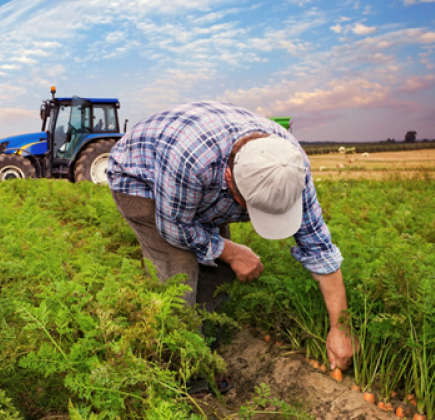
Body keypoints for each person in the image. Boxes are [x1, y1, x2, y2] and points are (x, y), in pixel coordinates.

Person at [106, 101, 354, 375]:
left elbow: (318, 247)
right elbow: (175, 228)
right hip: (142, 179)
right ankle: (185, 374)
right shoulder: (191, 161)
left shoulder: (290, 166)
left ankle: (207, 347)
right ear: (229, 178)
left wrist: (340, 328)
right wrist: (232, 251)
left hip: (198, 182)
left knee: (219, 273)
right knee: (178, 279)